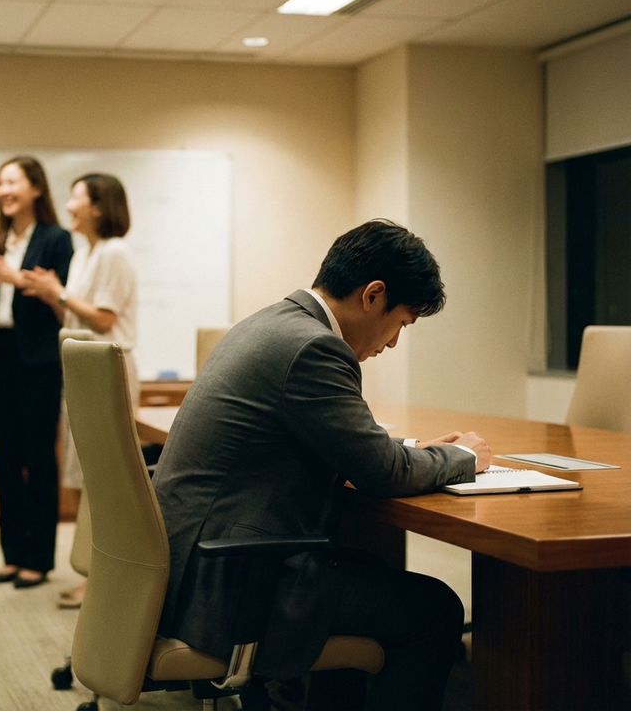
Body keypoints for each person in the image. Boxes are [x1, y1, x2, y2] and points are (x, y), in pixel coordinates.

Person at [152, 219, 492, 710]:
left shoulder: (270, 323)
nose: (393, 342)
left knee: (368, 571)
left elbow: (355, 450)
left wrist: (411, 455)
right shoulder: (314, 347)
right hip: (232, 585)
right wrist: (461, 458)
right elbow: (382, 473)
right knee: (435, 610)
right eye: (402, 323)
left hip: (194, 567)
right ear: (373, 296)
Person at [23, 173, 138, 609]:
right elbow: (75, 317)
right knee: (85, 476)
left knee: (104, 479)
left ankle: (101, 579)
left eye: (76, 197)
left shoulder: (114, 252)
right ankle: (92, 572)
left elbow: (104, 320)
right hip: (84, 370)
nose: (67, 205)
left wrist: (59, 294)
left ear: (97, 206)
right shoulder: (87, 253)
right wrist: (52, 295)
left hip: (110, 368)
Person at [0, 156, 73, 590]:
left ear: (35, 188)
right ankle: (12, 555)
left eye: (12, 182)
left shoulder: (56, 239)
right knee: (4, 457)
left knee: (38, 458)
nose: (3, 190)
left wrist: (15, 279)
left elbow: (62, 300)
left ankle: (38, 559)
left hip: (39, 359)